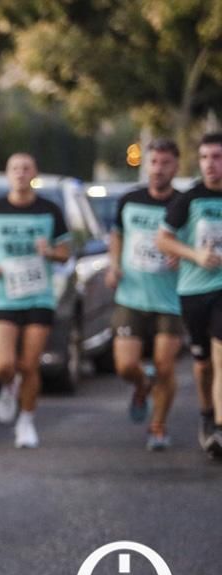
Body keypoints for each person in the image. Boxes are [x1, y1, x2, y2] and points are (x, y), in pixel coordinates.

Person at [0, 152, 72, 448]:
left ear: (34, 173)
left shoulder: (49, 210)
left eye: (26, 168)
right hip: (4, 294)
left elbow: (66, 251)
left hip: (39, 295)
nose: (20, 173)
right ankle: (7, 384)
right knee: (2, 365)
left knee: (30, 365)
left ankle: (26, 421)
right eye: (14, 168)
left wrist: (50, 252)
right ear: (7, 174)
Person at [106, 139, 183, 450]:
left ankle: (158, 427)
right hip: (131, 295)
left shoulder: (183, 203)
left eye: (165, 163)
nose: (158, 169)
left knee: (165, 367)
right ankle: (141, 384)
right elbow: (117, 236)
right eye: (153, 162)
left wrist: (183, 255)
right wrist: (113, 266)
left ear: (176, 166)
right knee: (125, 366)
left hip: (171, 298)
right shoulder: (129, 200)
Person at [156, 131, 222, 457]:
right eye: (206, 158)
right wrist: (194, 255)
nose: (212, 165)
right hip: (194, 290)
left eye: (218, 157)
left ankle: (221, 428)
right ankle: (207, 413)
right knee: (203, 362)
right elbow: (163, 239)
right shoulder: (190, 199)